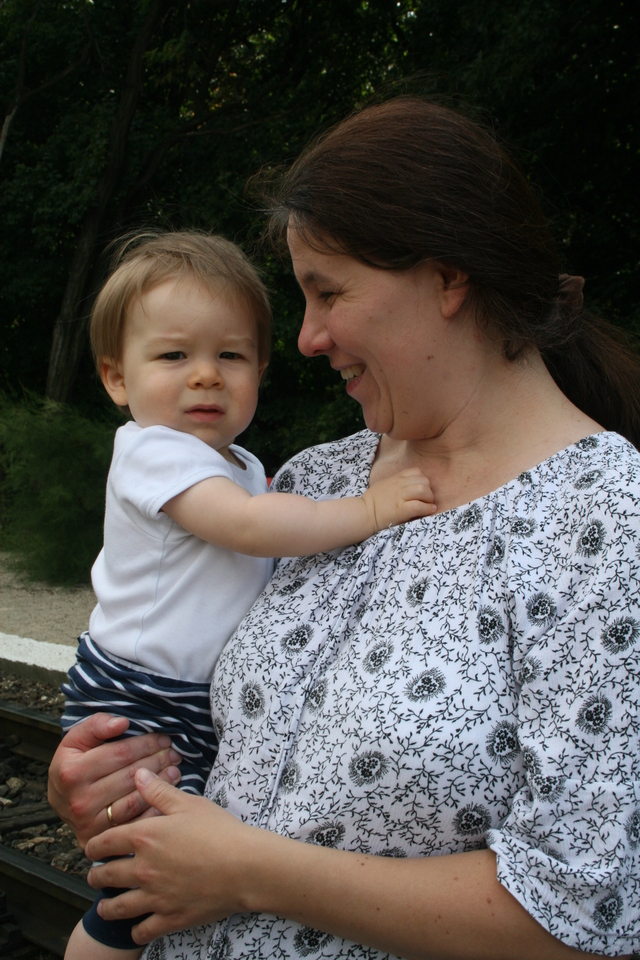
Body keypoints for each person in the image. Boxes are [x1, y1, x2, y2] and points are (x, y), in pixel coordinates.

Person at [48, 99, 640, 960]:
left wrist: (249, 872)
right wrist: (109, 784)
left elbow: (589, 913)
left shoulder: (605, 520)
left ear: (448, 277)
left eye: (328, 292)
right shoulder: (316, 480)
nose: (306, 338)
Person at [60, 230, 435, 960]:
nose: (205, 375)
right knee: (143, 883)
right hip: (138, 694)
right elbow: (249, 528)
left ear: (260, 369)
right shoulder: (154, 451)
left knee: (164, 876)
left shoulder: (238, 462)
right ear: (116, 378)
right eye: (174, 356)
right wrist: (371, 510)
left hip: (181, 697)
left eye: (230, 356)